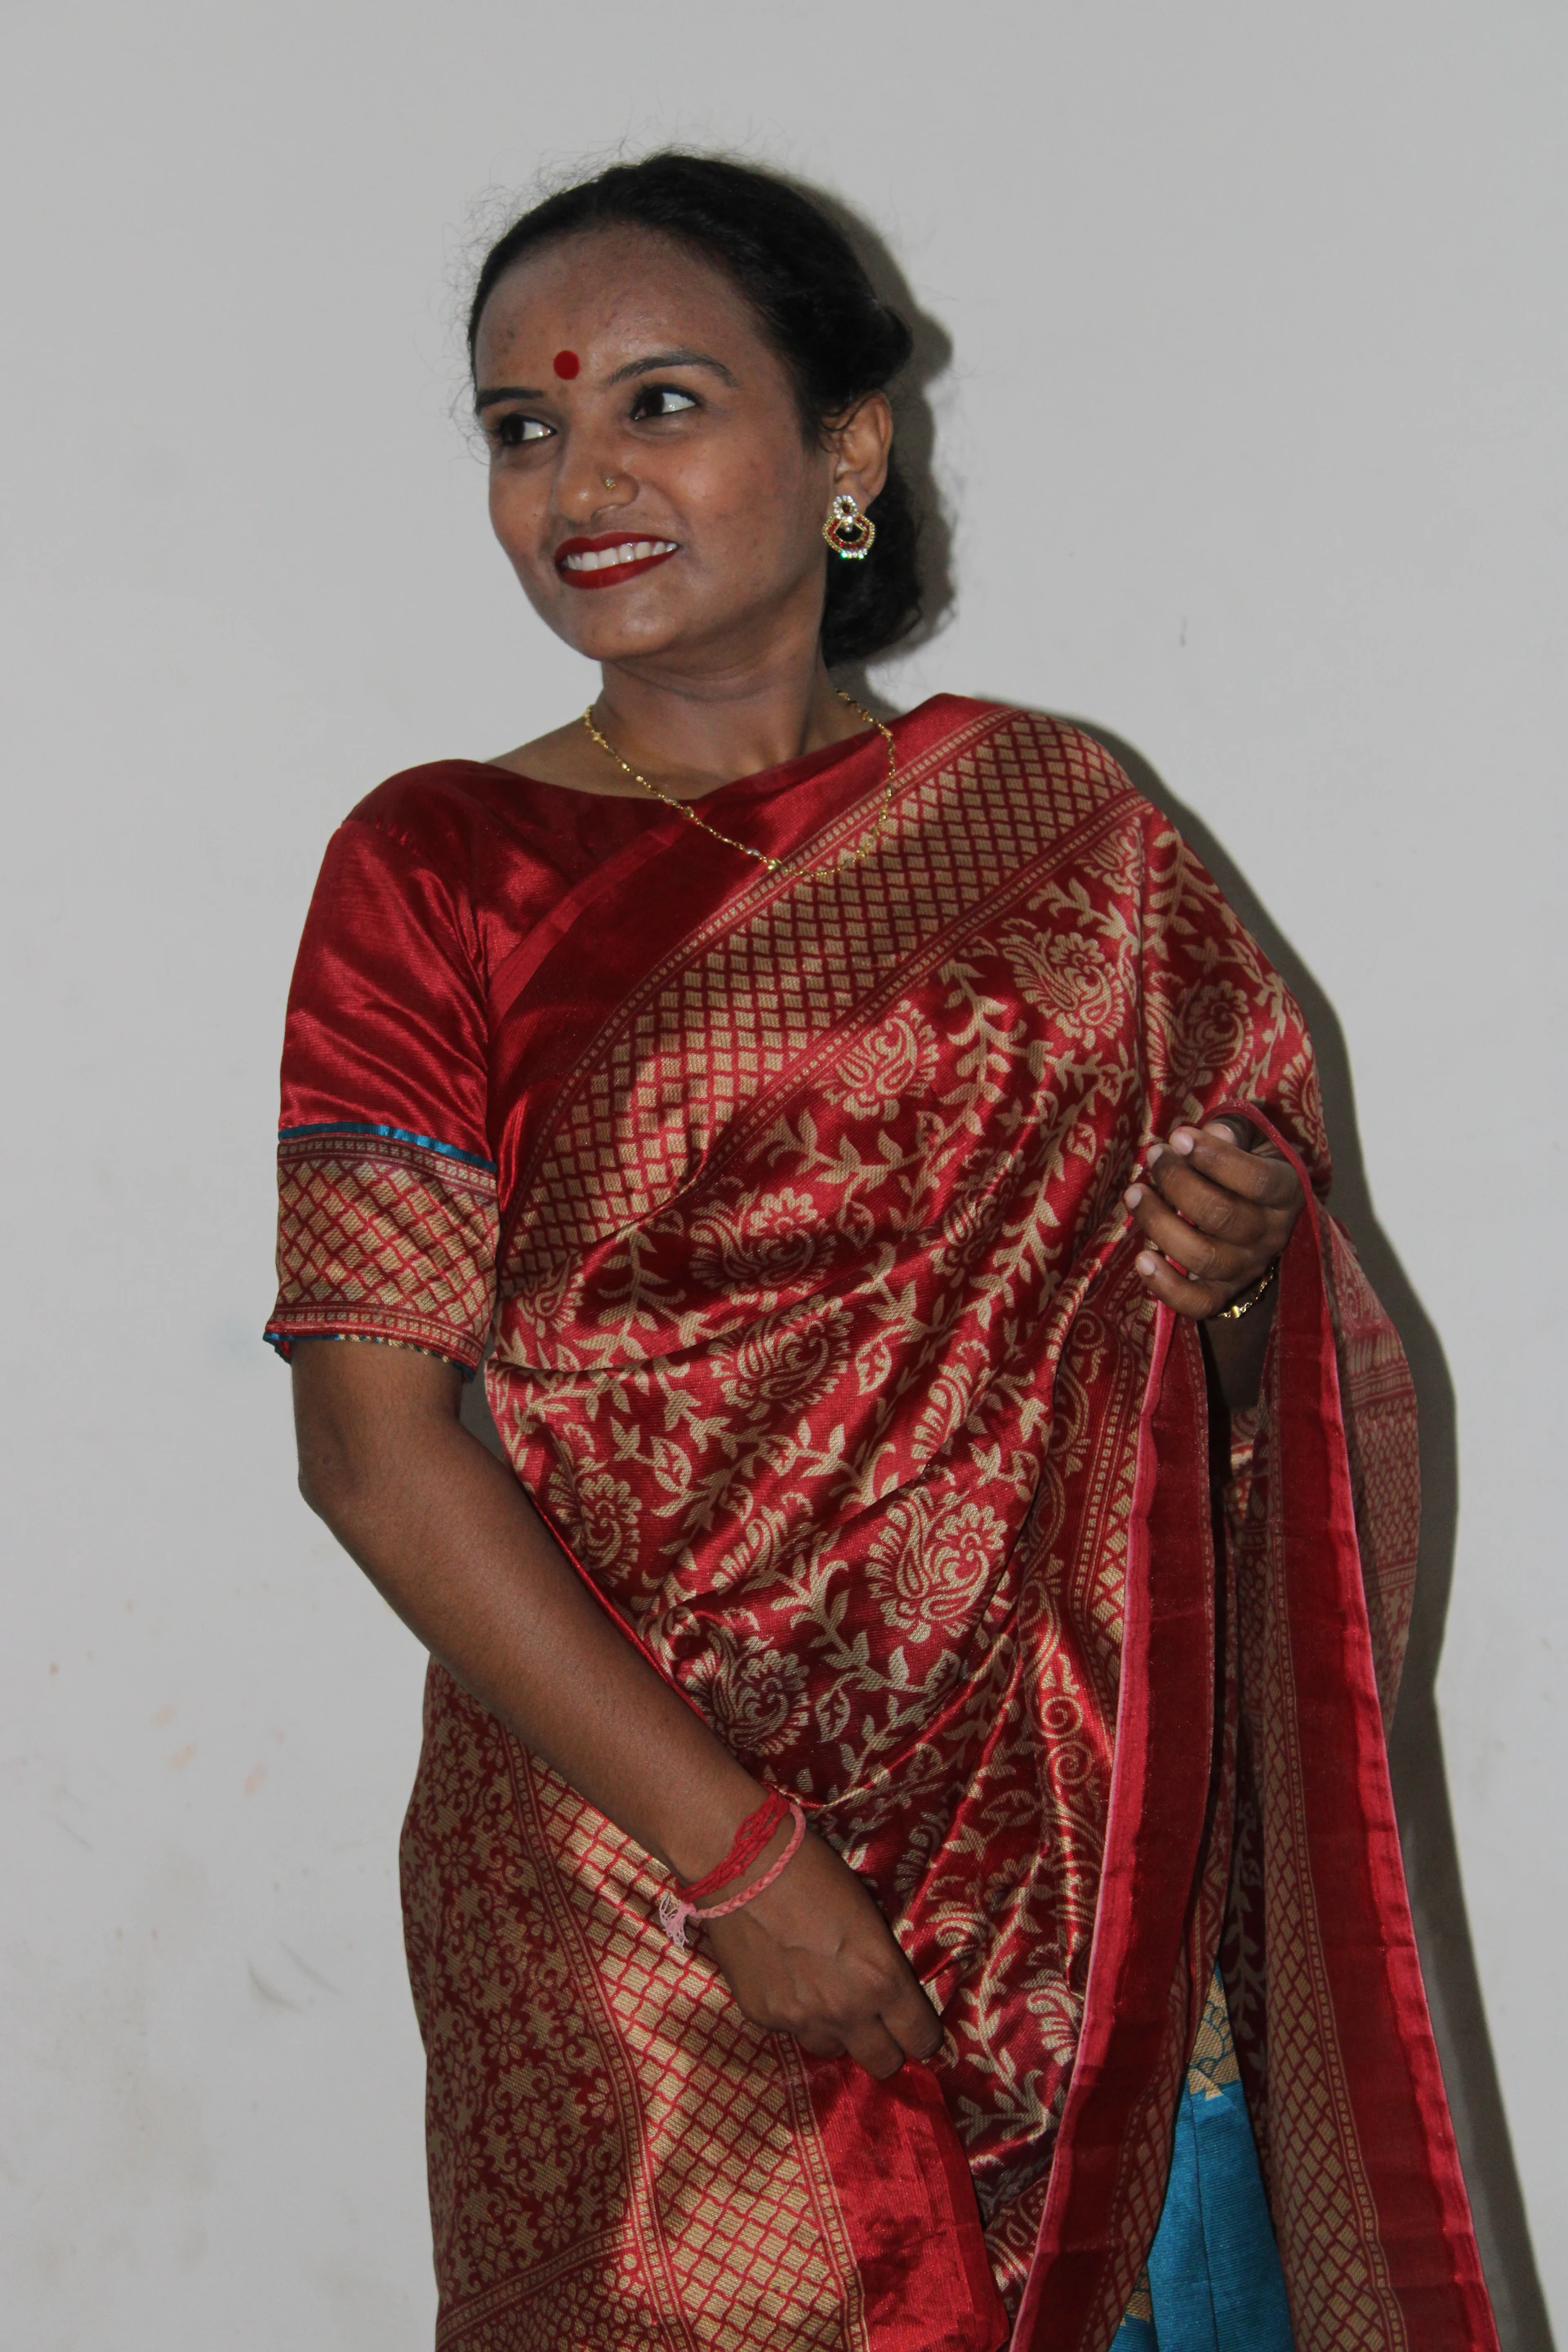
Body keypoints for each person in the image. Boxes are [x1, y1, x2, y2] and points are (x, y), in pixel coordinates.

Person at [266, 153, 1496, 2352]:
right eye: (522, 427)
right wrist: (741, 1860)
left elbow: (1251, 1389)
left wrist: (1233, 1289)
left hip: (1071, 1844)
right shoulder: (436, 867)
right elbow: (373, 1448)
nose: (578, 480)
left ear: (849, 445)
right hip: (634, 1880)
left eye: (658, 403)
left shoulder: (1067, 832)